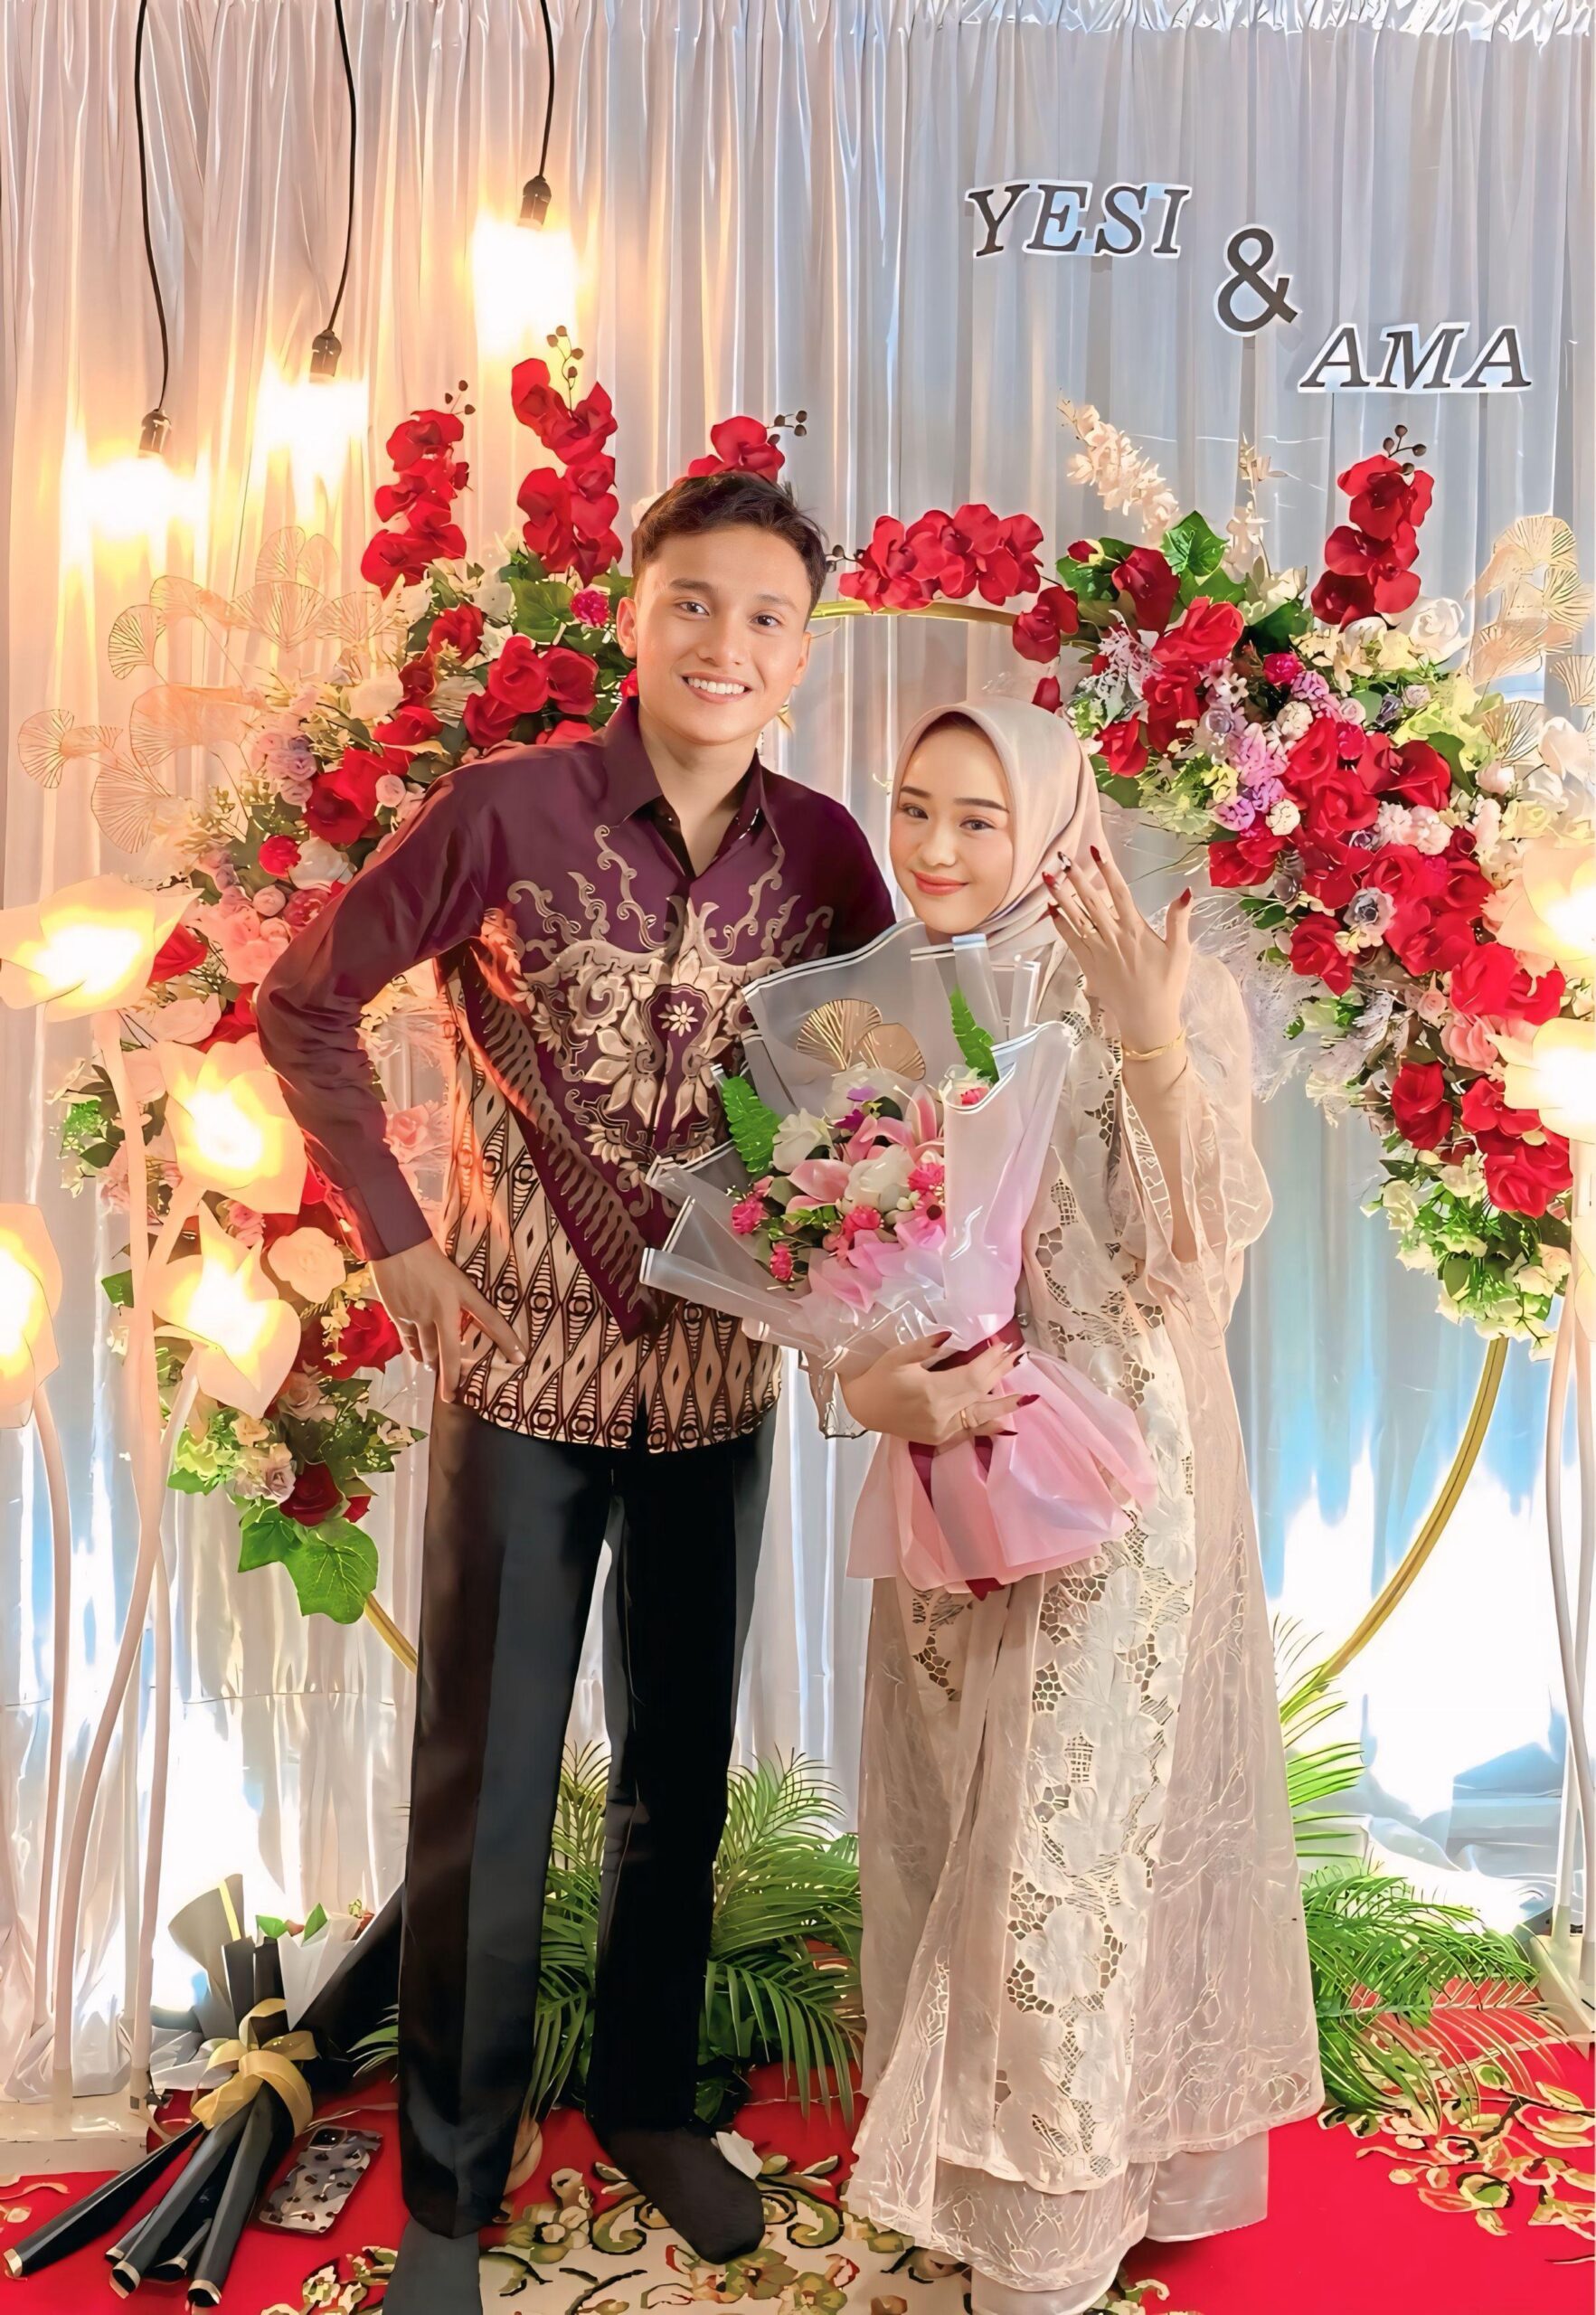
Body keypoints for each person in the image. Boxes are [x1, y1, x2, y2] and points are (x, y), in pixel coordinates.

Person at [256, 470, 894, 2313]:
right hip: (516, 1366)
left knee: (674, 1779)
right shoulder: (503, 811)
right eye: (693, 603)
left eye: (765, 618)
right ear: (632, 612)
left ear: (800, 654)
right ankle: (450, 2187)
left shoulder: (825, 855)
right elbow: (306, 1002)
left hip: (713, 1377)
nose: (725, 645)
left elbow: (884, 1071)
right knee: (489, 1785)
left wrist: (858, 1262)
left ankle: (645, 2104)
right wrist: (394, 1237)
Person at [836, 699, 1321, 2315]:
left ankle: (1050, 2227)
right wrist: (876, 1392)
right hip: (950, 1450)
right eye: (915, 808)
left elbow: (1204, 1244)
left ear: (1052, 825)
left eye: (979, 818)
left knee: (1063, 1837)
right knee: (953, 1811)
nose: (935, 848)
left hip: (1117, 1468)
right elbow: (835, 1256)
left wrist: (1148, 1033)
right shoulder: (883, 1004)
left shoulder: (1158, 980)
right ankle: (977, 2172)